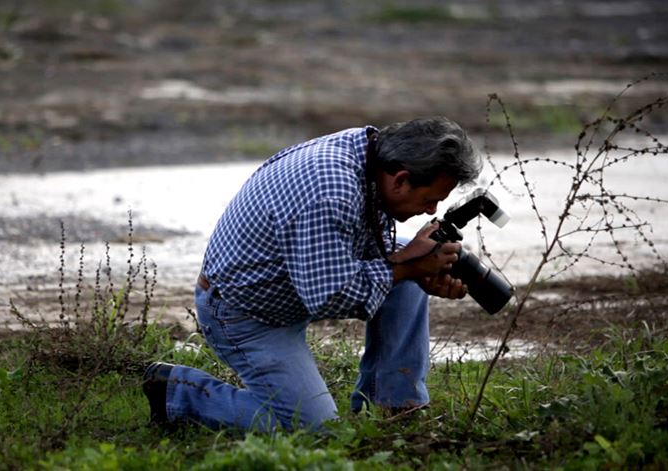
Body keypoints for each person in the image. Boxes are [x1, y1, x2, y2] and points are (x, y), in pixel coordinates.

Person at [142, 117, 482, 431]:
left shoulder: (371, 153)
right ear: (401, 179)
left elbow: (365, 261)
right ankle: (178, 392)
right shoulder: (330, 191)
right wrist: (410, 266)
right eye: (430, 199)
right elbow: (330, 295)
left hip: (293, 285)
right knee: (316, 429)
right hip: (246, 314)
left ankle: (394, 408)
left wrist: (421, 271)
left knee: (417, 257)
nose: (432, 210)